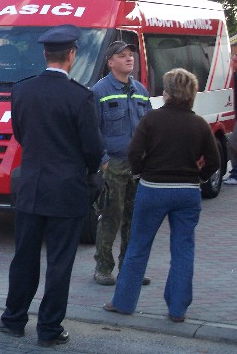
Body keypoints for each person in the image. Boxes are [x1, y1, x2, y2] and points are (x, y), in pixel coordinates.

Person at [0, 24, 104, 347]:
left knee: (24, 258)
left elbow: (20, 133)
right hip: (67, 190)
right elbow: (93, 149)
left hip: (31, 185)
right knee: (59, 262)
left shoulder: (22, 90)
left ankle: (13, 319)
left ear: (45, 54)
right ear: (71, 55)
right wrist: (88, 171)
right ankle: (49, 329)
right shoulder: (80, 96)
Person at [104, 68, 219, 322]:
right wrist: (200, 177)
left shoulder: (152, 119)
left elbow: (134, 152)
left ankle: (123, 303)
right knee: (183, 249)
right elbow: (214, 161)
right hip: (187, 192)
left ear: (167, 93)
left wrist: (140, 173)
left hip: (153, 188)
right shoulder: (199, 124)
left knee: (138, 246)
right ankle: (177, 309)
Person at [92, 41, 153, 286]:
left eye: (130, 55)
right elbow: (93, 130)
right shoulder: (100, 91)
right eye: (122, 56)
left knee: (135, 220)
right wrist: (104, 161)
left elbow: (150, 127)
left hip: (137, 166)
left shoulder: (141, 91)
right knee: (111, 218)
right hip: (114, 165)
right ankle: (103, 269)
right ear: (110, 62)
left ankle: (130, 270)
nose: (129, 59)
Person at [224, 53, 237, 185]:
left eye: (234, 61)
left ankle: (235, 174)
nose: (231, 63)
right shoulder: (232, 77)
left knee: (233, 143)